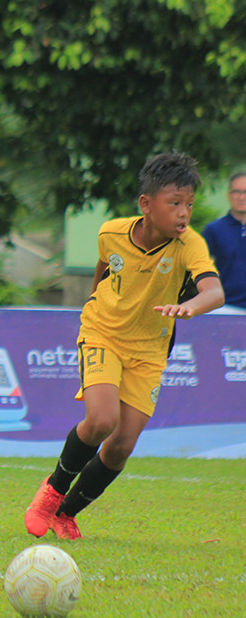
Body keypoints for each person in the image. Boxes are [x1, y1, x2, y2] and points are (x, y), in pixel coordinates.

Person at [24, 152, 224, 541]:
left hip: (149, 350)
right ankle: (50, 494)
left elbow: (214, 292)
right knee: (102, 420)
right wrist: (94, 301)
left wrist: (191, 306)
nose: (184, 213)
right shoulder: (111, 233)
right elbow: (105, 268)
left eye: (189, 204)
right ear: (146, 204)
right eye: (174, 203)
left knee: (121, 445)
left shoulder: (189, 244)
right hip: (104, 334)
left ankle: (66, 514)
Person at [201, 171, 246, 309]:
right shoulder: (213, 230)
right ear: (228, 195)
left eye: (245, 192)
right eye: (236, 192)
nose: (241, 197)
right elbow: (202, 270)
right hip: (225, 307)